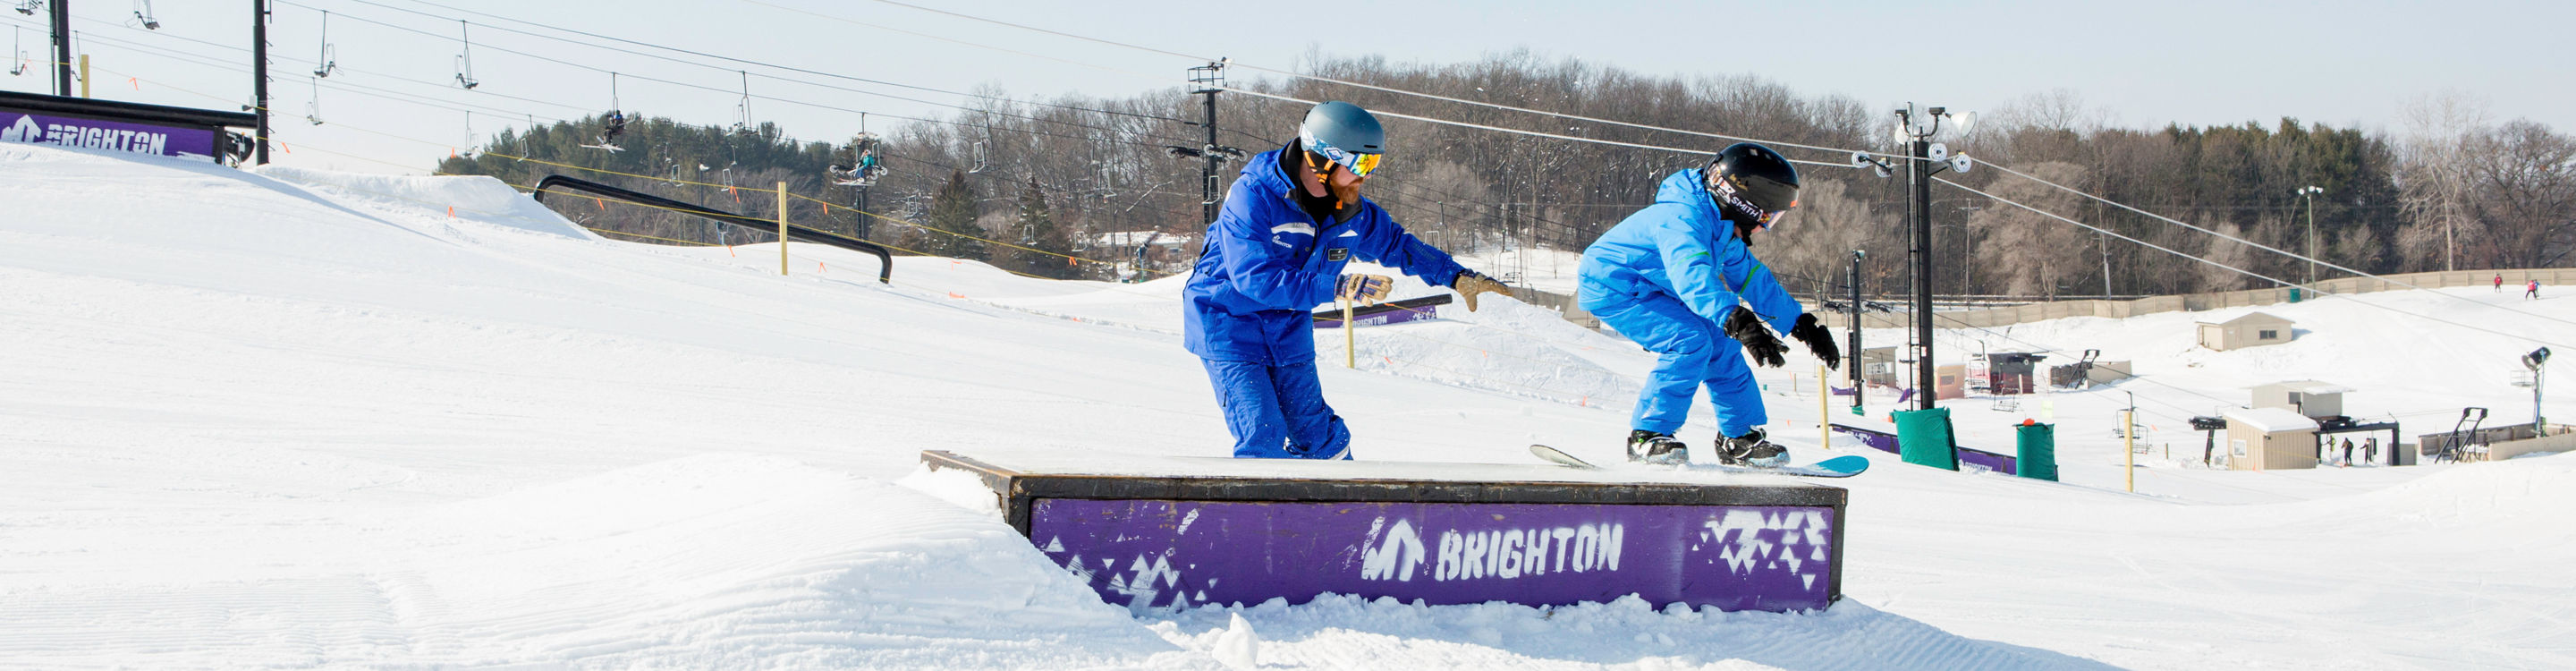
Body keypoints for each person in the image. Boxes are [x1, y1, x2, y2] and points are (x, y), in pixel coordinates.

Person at [1182, 101, 1512, 459]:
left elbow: (1398, 244)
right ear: (1322, 159)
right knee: (1263, 428)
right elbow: (1253, 277)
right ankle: (1266, 510)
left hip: (1288, 319)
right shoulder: (1254, 195)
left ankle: (1345, 507)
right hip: (1228, 319)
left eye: (1373, 164)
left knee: (1317, 432)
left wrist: (1457, 275)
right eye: (1360, 163)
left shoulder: (1350, 210)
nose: (1366, 175)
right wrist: (1336, 287)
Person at [1576, 143, 1841, 466]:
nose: (1766, 226)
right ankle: (1647, 435)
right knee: (1690, 341)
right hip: (1614, 285)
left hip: (1657, 286)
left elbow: (1753, 277)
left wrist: (1800, 324)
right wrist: (1735, 317)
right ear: (1743, 203)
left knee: (1723, 347)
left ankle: (1738, 438)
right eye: (1768, 217)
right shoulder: (1683, 219)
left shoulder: (1720, 227)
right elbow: (1692, 273)